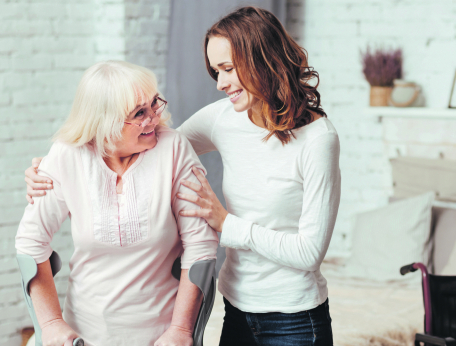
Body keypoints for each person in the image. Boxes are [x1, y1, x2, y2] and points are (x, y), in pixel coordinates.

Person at [26, 6, 340, 346]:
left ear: (261, 60)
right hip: (236, 308)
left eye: (227, 69)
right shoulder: (224, 118)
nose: (220, 84)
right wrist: (59, 165)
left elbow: (309, 253)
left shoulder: (318, 140)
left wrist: (225, 222)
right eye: (215, 72)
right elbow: (157, 146)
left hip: (294, 317)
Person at [18, 60, 218, 346]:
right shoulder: (67, 156)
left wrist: (182, 331)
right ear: (104, 121)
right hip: (83, 335)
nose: (153, 118)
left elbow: (200, 248)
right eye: (139, 113)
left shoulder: (173, 149)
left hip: (161, 336)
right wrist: (50, 324)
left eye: (153, 105)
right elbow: (30, 243)